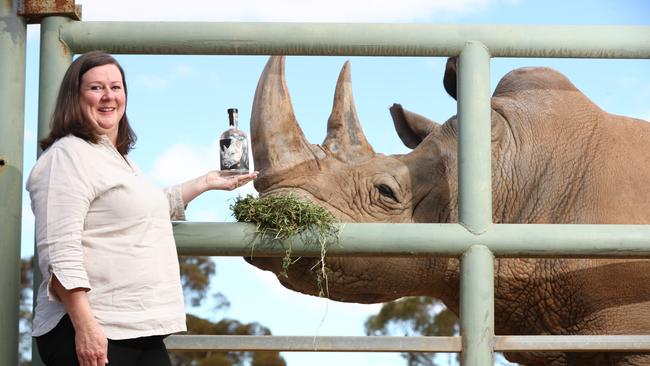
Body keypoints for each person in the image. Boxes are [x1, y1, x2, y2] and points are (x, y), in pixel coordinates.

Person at [27, 50, 258, 366]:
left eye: (116, 87)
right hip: (94, 327)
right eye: (96, 88)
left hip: (139, 329)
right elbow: (59, 251)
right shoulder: (66, 157)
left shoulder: (118, 160)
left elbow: (145, 210)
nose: (109, 96)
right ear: (75, 97)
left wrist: (206, 182)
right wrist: (85, 327)